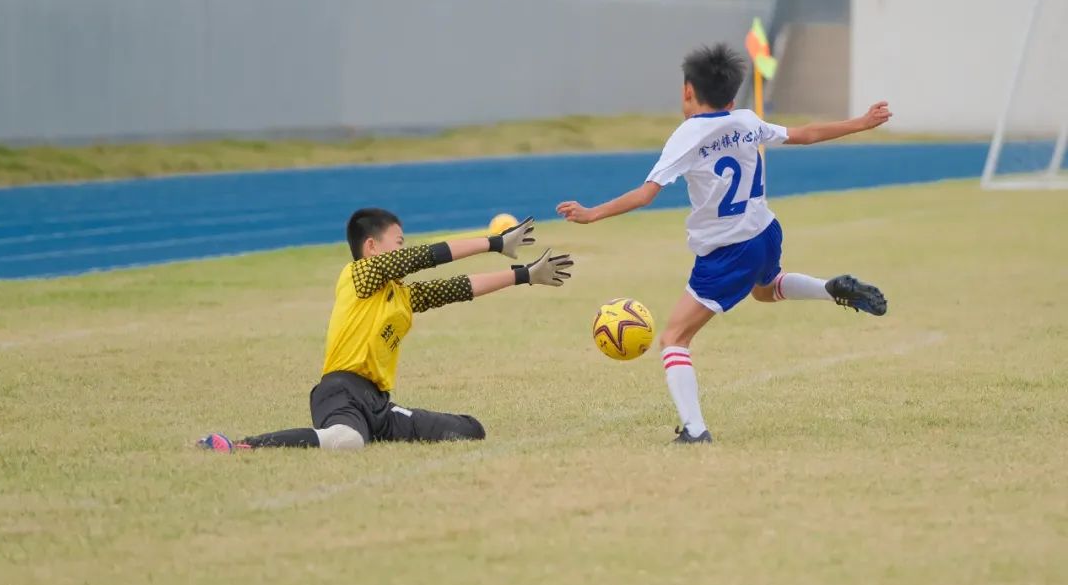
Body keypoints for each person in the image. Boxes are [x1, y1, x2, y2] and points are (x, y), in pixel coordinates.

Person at [556, 43, 890, 444]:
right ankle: (829, 289)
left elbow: (647, 194)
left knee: (674, 338)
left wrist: (593, 213)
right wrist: (861, 122)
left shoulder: (686, 136)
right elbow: (805, 134)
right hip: (765, 231)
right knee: (765, 291)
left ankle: (695, 431)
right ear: (732, 97)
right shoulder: (746, 120)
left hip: (727, 250)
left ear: (686, 91)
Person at [197, 209, 573, 453]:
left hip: (379, 403)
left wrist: (525, 275)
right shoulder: (358, 275)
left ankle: (375, 427)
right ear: (372, 247)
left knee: (470, 430)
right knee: (346, 442)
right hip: (339, 393)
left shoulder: (400, 296)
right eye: (398, 242)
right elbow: (423, 257)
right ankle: (243, 446)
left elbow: (461, 287)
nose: (402, 249)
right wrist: (493, 243)